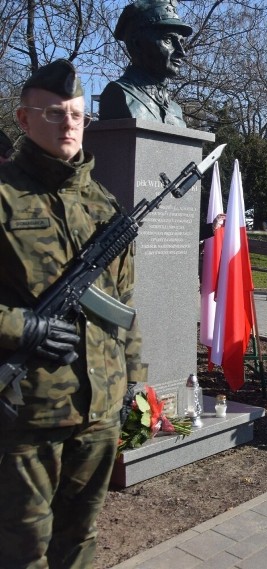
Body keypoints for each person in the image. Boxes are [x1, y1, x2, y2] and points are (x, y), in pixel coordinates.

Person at [0, 59, 146, 567]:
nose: (69, 125)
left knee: (80, 538)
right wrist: (24, 326)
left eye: (78, 116)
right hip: (28, 411)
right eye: (55, 113)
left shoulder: (103, 204)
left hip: (99, 409)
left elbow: (122, 305)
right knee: (22, 549)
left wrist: (132, 379)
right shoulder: (2, 197)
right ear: (23, 119)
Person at [99, 0, 193, 126]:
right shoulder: (118, 95)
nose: (181, 52)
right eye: (168, 40)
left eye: (181, 42)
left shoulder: (175, 109)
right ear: (137, 44)